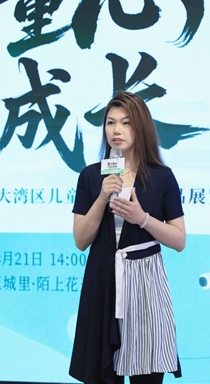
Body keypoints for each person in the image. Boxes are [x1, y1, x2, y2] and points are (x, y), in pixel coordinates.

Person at [69, 91, 186, 384]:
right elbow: (81, 240)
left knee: (146, 372)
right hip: (102, 280)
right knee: (101, 374)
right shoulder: (91, 176)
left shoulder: (161, 176)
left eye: (125, 122)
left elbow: (179, 240)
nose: (116, 130)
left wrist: (142, 218)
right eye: (110, 123)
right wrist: (102, 197)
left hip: (144, 280)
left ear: (140, 127)